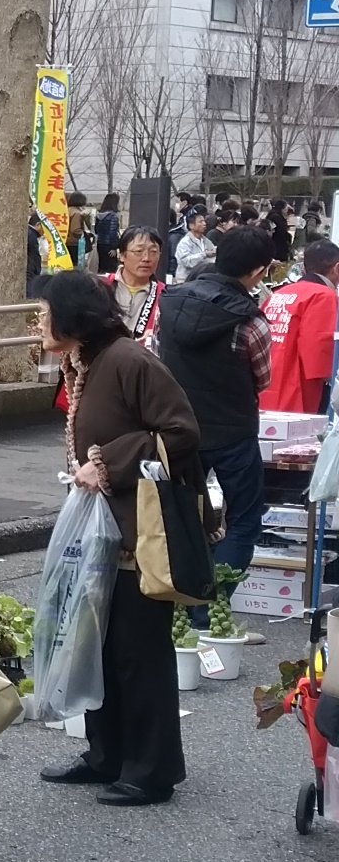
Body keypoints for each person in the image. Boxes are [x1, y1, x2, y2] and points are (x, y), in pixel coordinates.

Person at [37, 271, 200, 805]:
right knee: (101, 650)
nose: (38, 321)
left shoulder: (128, 360)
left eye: (45, 311)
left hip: (139, 537)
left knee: (139, 653)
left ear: (72, 317)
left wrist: (107, 463)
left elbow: (181, 432)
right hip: (103, 534)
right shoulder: (85, 361)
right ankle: (106, 755)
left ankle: (152, 771)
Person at [158, 224, 272, 603]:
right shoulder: (250, 320)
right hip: (233, 433)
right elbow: (263, 378)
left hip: (177, 429)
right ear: (258, 271)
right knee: (242, 522)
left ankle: (181, 607)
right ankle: (214, 608)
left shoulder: (170, 302)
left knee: (181, 519)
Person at [259, 238, 339, 414]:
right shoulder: (323, 296)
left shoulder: (279, 293)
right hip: (297, 388)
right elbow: (319, 351)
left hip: (265, 385)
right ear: (337, 268)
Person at [101, 226, 168, 346]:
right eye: (138, 251)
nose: (147, 258)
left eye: (153, 252)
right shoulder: (99, 287)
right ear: (121, 255)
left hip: (142, 361)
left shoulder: (166, 295)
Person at [173, 209, 214, 282]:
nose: (204, 224)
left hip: (202, 280)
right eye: (200, 222)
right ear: (191, 225)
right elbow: (186, 261)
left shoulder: (207, 242)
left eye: (204, 221)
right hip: (185, 280)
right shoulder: (185, 242)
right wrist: (204, 254)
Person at [95, 193, 122, 272]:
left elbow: (97, 230)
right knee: (111, 269)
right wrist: (114, 247)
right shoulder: (113, 216)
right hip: (109, 246)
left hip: (100, 244)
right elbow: (112, 233)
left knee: (102, 267)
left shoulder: (99, 215)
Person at [267, 198, 295, 270]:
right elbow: (281, 232)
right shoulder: (276, 217)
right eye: (286, 208)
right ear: (282, 208)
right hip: (278, 245)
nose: (287, 210)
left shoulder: (273, 215)